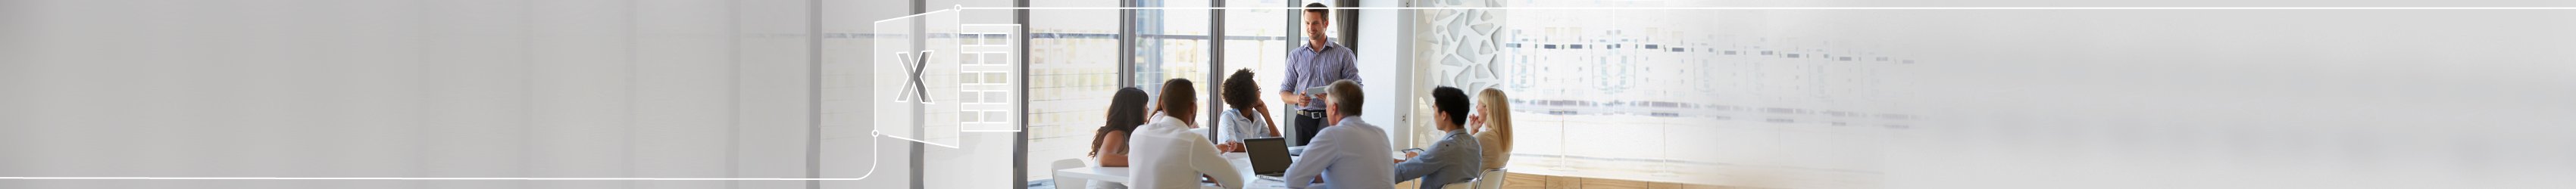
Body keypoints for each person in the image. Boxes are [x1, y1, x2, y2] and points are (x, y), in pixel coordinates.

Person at [1128, 79, 1246, 189]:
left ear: (1163, 106)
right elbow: (1237, 183)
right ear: (1193, 108)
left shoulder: (1138, 133)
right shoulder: (1193, 141)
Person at [1283, 79, 1393, 189]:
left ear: (1334, 108)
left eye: (1327, 105)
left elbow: (1291, 180)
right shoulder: (1380, 134)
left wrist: (1315, 177)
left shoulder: (1332, 135)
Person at [1280, 2, 1361, 147]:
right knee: (1306, 166)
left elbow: (1357, 88)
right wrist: (1297, 99)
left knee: (1333, 166)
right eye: (1307, 23)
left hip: (1332, 120)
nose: (1310, 28)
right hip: (1303, 122)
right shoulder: (1295, 56)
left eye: (1315, 23)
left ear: (1326, 23)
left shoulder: (1344, 54)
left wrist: (1335, 97)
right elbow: (1284, 92)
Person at [1391, 87, 1482, 189]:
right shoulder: (1475, 144)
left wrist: (1378, 163)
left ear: (1444, 115)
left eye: (1434, 108)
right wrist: (1417, 160)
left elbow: (1397, 174)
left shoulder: (1443, 149)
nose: (1433, 114)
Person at [1088, 87, 1152, 189]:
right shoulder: (1116, 134)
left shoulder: (1130, 134)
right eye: (1145, 105)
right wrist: (1142, 161)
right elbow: (1105, 159)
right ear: (1133, 110)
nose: (1148, 109)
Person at [1215, 69, 1282, 151]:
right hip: (1234, 163)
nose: (1260, 93)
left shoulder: (1256, 116)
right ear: (1249, 97)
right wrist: (1263, 147)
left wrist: (1267, 115)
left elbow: (1278, 144)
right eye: (1258, 90)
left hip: (1252, 163)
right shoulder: (1228, 116)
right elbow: (1230, 146)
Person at [1469, 88, 1513, 170]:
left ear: (1487, 109)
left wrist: (1474, 131)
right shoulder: (1506, 140)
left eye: (1478, 103)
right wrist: (1474, 130)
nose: (1476, 107)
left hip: (1475, 183)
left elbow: (1463, 161)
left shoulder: (1482, 138)